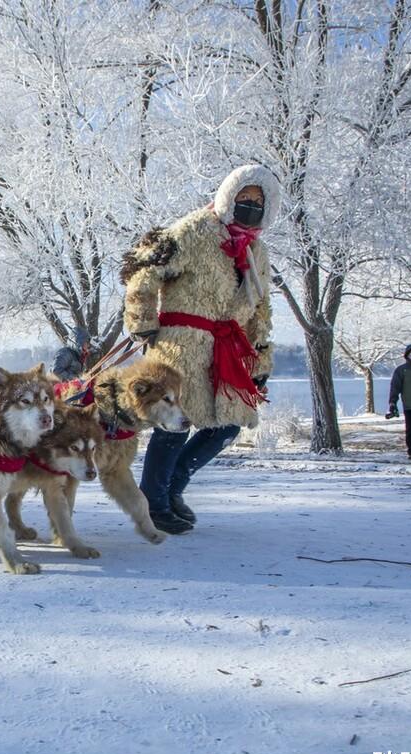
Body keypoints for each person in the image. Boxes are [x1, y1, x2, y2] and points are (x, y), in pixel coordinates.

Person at [120, 164, 278, 534]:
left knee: (228, 425)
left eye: (258, 200)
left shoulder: (257, 250)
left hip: (229, 348)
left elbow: (260, 308)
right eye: (244, 197)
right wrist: (142, 321)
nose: (250, 205)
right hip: (181, 345)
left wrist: (260, 358)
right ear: (228, 195)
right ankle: (154, 502)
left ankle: (174, 485)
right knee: (175, 424)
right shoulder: (194, 229)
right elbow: (143, 266)